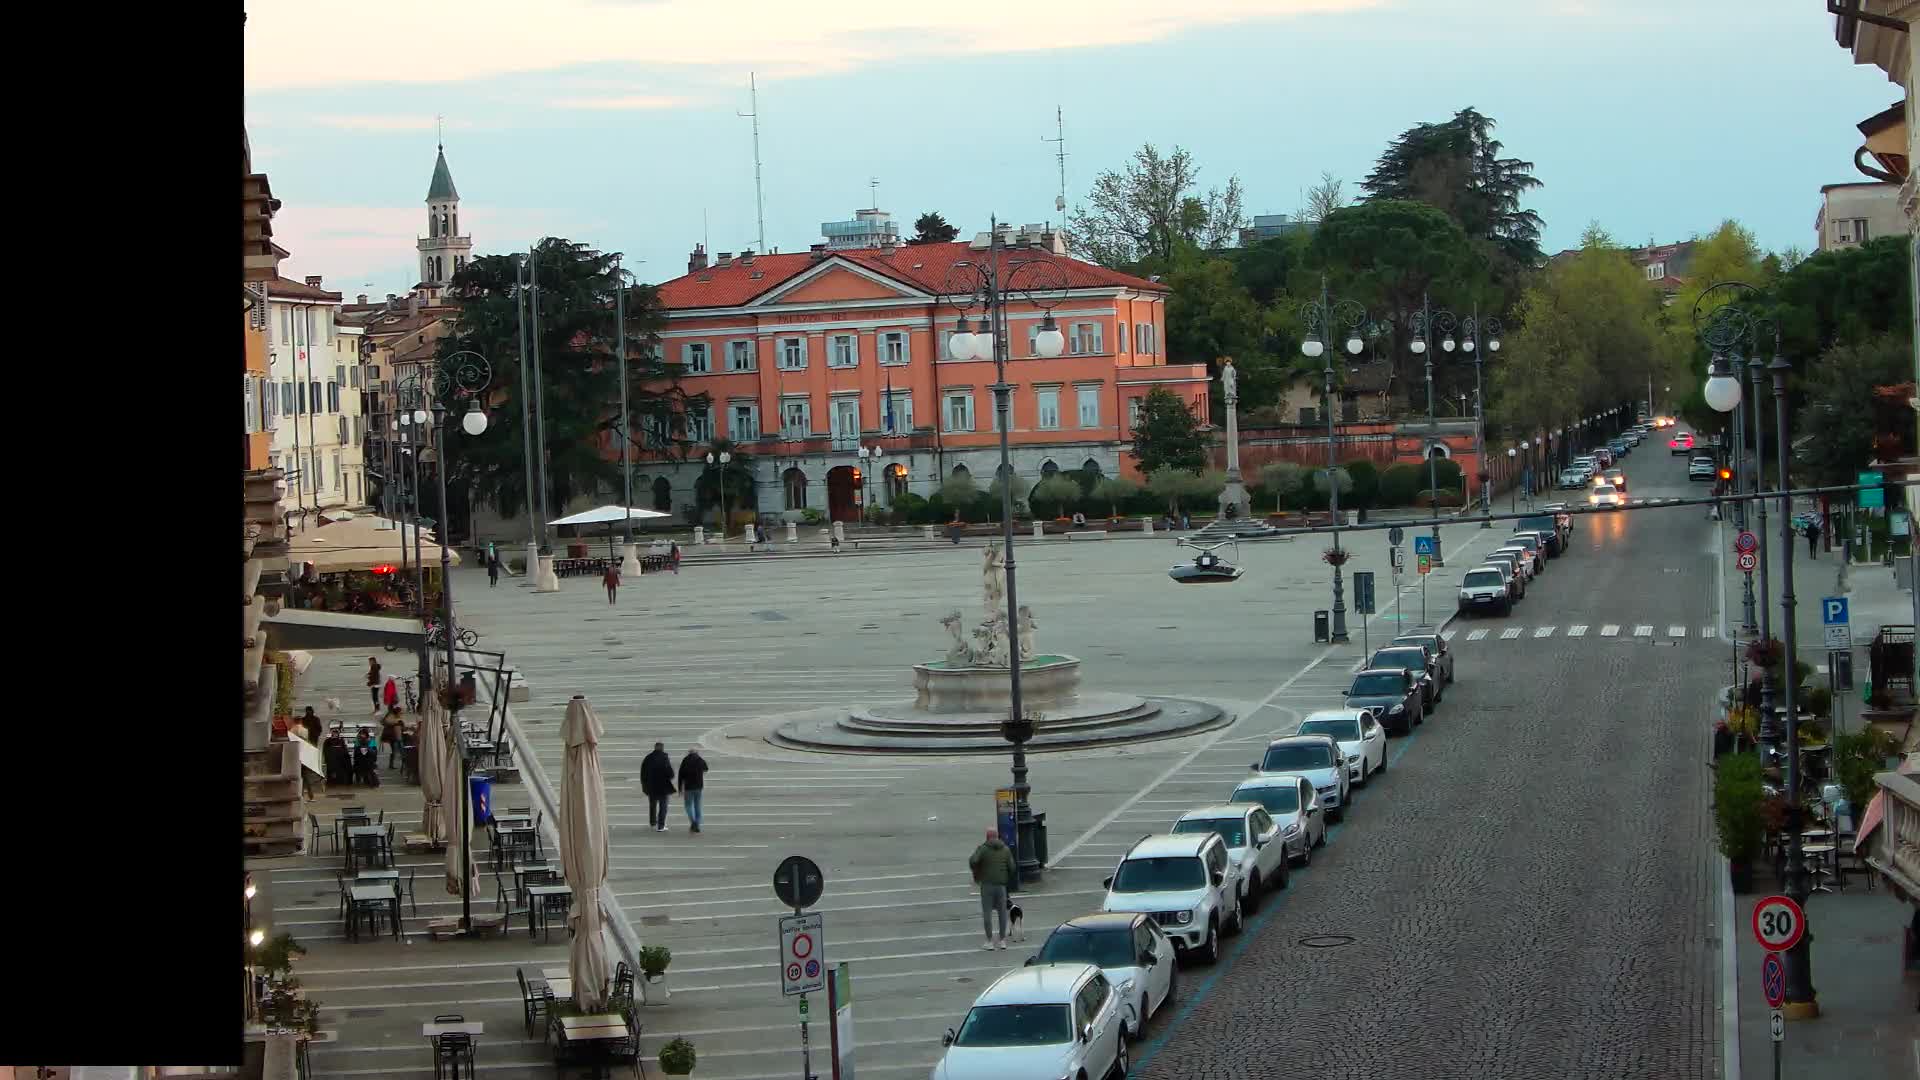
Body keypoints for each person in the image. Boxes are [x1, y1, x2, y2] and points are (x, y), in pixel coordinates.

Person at [969, 827, 1016, 949]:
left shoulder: (983, 849)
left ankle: (989, 941)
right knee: (1002, 913)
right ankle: (1002, 940)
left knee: (987, 913)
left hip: (987, 885)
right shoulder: (1005, 849)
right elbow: (1012, 867)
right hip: (1001, 885)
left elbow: (973, 861)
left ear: (987, 837)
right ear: (997, 836)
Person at [640, 741, 676, 832]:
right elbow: (670, 772)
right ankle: (661, 826)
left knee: (652, 805)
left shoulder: (648, 758)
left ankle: (652, 822)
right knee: (663, 806)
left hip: (651, 786)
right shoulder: (664, 758)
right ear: (662, 748)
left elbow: (643, 773)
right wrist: (671, 776)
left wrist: (644, 785)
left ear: (654, 748)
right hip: (663, 786)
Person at [677, 748, 709, 833]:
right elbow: (706, 768)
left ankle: (693, 822)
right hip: (698, 787)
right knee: (697, 806)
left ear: (688, 753)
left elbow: (680, 776)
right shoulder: (699, 760)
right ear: (697, 753)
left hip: (688, 787)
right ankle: (697, 824)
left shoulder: (685, 760)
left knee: (688, 806)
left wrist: (680, 788)